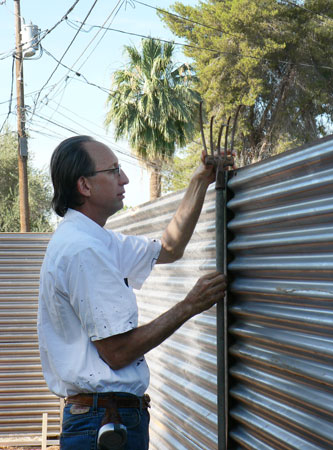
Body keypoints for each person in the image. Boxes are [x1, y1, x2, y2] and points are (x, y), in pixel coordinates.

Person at [38, 135, 227, 450]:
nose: (124, 178)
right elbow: (117, 353)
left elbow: (169, 247)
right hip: (102, 423)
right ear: (84, 186)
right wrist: (190, 305)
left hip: (104, 418)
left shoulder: (98, 241)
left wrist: (200, 181)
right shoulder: (83, 249)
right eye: (113, 171)